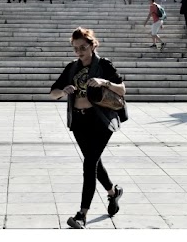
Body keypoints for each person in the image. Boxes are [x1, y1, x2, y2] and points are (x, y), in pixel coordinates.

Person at [50, 27, 125, 229]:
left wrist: (104, 82)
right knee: (94, 163)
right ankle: (113, 193)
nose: (79, 52)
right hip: (79, 122)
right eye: (76, 49)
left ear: (92, 45)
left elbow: (122, 89)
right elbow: (53, 93)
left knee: (89, 163)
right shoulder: (72, 68)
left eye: (83, 47)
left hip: (101, 120)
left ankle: (82, 215)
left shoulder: (104, 65)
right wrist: (63, 91)